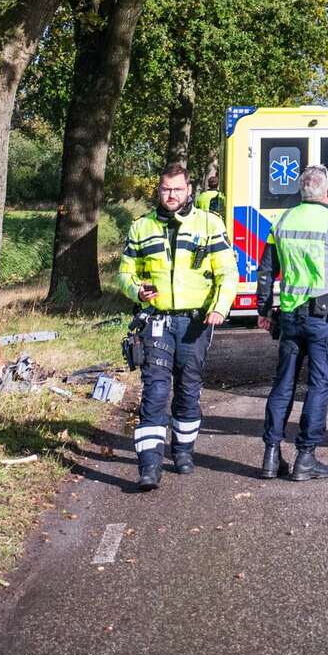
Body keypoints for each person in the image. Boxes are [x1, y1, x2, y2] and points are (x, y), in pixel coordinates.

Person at [122, 163, 231, 490]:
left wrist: (220, 308)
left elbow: (228, 272)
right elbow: (125, 272)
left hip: (194, 323)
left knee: (188, 388)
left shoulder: (210, 225)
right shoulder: (141, 228)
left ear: (189, 191)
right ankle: (150, 466)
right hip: (156, 322)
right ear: (159, 190)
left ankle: (183, 451)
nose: (171, 195)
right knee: (155, 391)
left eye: (177, 189)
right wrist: (135, 290)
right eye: (166, 189)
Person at [253, 164, 328, 482]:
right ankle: (305, 457)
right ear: (327, 193)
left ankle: (271, 456)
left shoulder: (283, 221)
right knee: (319, 386)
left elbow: (266, 270)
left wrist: (263, 309)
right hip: (323, 319)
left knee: (283, 385)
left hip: (289, 317)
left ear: (302, 192)